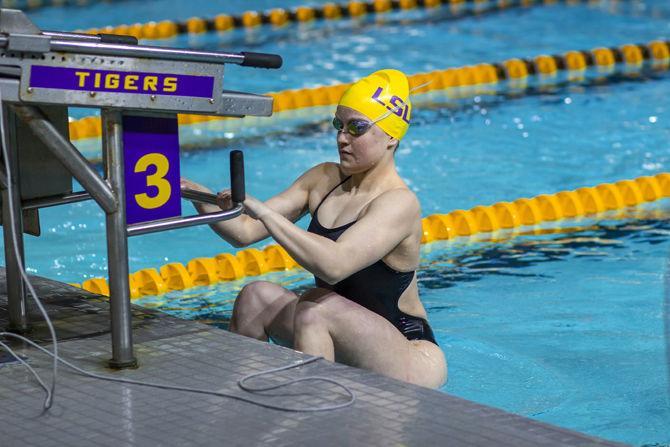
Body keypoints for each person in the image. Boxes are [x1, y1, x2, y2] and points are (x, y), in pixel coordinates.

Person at [181, 69, 447, 388]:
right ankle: (239, 404)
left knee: (316, 307)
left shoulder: (399, 203)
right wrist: (193, 191)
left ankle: (312, 419)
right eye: (339, 125)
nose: (342, 138)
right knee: (256, 296)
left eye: (356, 128)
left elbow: (333, 266)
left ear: (391, 136)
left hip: (406, 354)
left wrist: (265, 213)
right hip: (330, 328)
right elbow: (243, 231)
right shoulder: (323, 179)